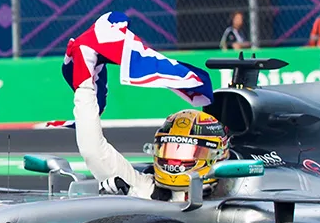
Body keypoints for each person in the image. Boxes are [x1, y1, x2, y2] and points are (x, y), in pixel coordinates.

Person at [73, 79, 229, 200]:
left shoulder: (233, 194)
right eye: (169, 149)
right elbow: (93, 151)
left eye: (189, 152)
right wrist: (85, 88)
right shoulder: (143, 188)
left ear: (216, 155)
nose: (174, 161)